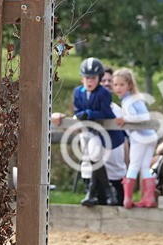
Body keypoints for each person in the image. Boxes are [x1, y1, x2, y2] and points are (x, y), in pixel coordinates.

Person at [52, 57, 125, 207]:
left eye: (93, 78)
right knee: (94, 155)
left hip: (104, 135)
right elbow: (77, 112)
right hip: (90, 133)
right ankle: (98, 191)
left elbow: (105, 113)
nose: (89, 81)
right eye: (86, 78)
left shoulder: (105, 95)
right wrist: (70, 116)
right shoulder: (78, 92)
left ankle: (102, 190)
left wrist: (89, 113)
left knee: (95, 153)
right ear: (82, 78)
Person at [112, 68, 159, 208]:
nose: (118, 88)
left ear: (129, 85)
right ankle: (149, 199)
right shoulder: (133, 99)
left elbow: (144, 117)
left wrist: (125, 119)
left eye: (121, 85)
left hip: (141, 137)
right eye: (115, 85)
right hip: (150, 136)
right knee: (145, 166)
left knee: (133, 165)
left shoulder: (130, 100)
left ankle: (127, 199)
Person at [99, 66, 128, 206]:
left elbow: (127, 142)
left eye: (109, 81)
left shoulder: (120, 111)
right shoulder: (89, 107)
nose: (106, 83)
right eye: (102, 80)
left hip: (117, 174)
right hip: (97, 174)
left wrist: (127, 169)